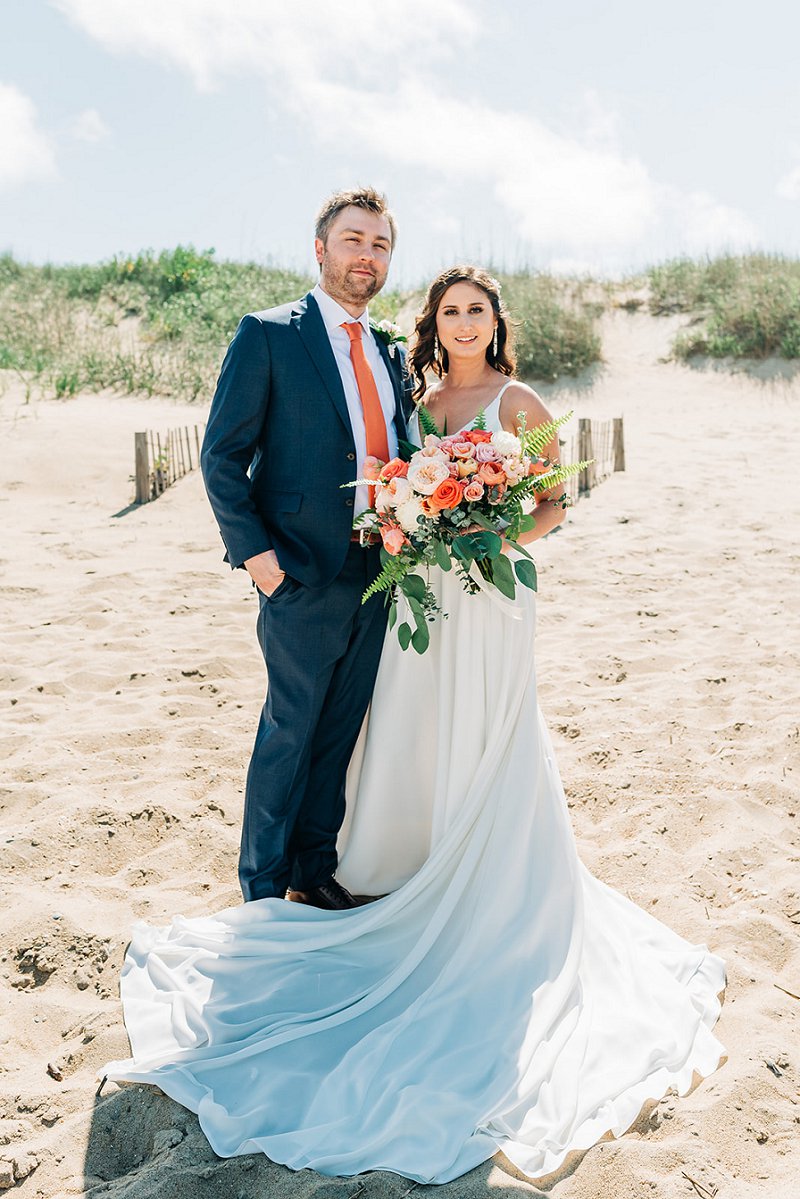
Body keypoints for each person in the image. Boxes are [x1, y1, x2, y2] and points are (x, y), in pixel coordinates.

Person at [105, 266, 725, 1185]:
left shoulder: (519, 399)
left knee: (492, 735)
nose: (464, 321)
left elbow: (557, 499)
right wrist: (421, 521)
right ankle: (395, 872)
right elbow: (391, 482)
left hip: (494, 596)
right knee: (411, 730)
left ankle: (491, 893)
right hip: (422, 595)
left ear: (496, 321)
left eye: (478, 309)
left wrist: (493, 535)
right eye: (450, 310)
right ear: (434, 325)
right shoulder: (420, 396)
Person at [199, 186, 409, 908]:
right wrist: (261, 564)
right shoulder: (269, 334)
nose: (366, 255)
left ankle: (312, 872)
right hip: (298, 570)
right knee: (289, 730)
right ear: (321, 249)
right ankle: (260, 889)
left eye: (380, 244)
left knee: (340, 730)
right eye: (353, 240)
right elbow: (222, 457)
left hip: (378, 568)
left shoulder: (391, 350)